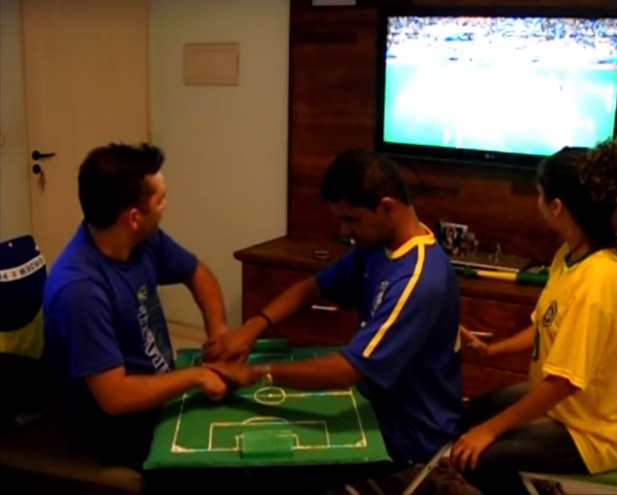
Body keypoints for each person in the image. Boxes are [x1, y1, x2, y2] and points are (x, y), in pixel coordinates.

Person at [203, 148, 462, 488]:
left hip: (408, 428)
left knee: (261, 465)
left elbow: (347, 370)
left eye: (351, 219)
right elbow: (312, 287)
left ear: (387, 207)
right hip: (372, 397)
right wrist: (254, 327)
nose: (344, 229)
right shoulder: (379, 244)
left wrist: (257, 373)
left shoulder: (418, 278)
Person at [448, 138, 617, 494]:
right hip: (569, 407)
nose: (536, 202)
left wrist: (490, 431)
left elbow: (562, 384)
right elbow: (545, 325)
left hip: (596, 432)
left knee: (478, 454)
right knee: (466, 417)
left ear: (556, 207)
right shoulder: (571, 254)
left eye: (538, 195)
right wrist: (492, 351)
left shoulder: (598, 282)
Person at [43, 143, 229, 470]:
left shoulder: (141, 239)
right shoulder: (80, 289)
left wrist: (219, 333)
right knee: (224, 469)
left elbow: (197, 273)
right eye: (160, 200)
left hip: (154, 398)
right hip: (112, 431)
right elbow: (114, 397)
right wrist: (197, 376)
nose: (166, 205)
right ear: (133, 217)